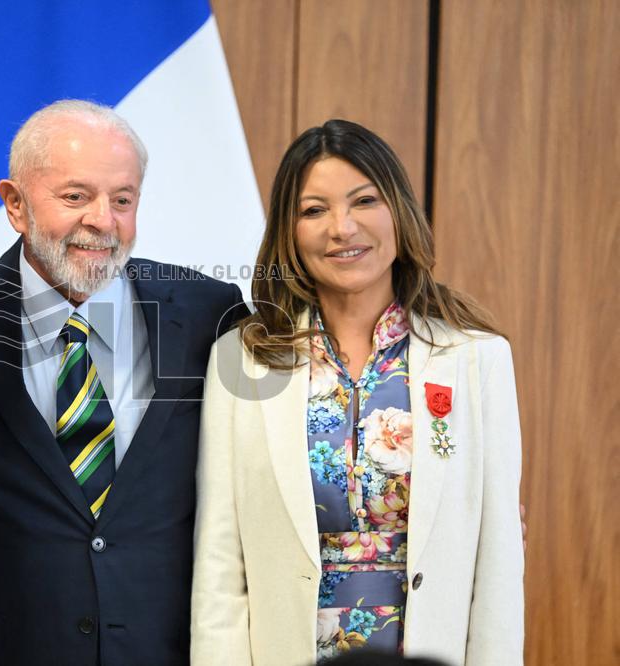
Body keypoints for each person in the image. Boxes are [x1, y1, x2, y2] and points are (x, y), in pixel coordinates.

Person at [190, 120, 523, 665]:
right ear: (289, 233)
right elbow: (221, 564)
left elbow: (500, 561)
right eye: (314, 210)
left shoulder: (476, 359)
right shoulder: (243, 360)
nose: (342, 228)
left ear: (398, 211)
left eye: (363, 201)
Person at [0, 100, 248, 665]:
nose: (103, 220)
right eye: (75, 197)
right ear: (15, 204)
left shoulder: (209, 313)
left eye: (122, 200)